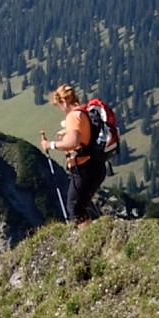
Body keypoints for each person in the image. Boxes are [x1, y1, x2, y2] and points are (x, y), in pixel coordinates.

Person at [41, 85, 107, 225]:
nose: (61, 109)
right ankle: (90, 234)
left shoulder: (72, 116)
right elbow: (83, 135)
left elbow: (73, 142)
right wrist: (66, 132)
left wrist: (50, 145)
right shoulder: (82, 111)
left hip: (84, 169)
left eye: (59, 105)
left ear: (64, 101)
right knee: (79, 206)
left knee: (74, 209)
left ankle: (87, 236)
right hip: (94, 166)